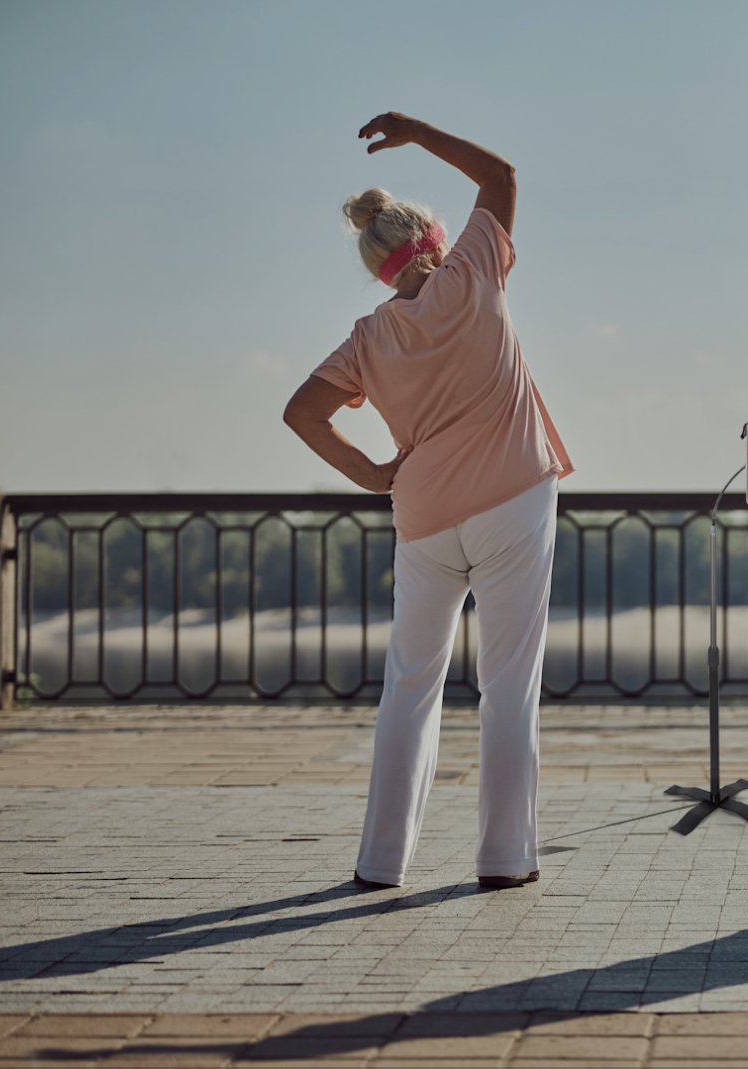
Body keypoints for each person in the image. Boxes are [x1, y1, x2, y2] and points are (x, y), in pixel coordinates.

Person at [284, 113, 572, 890]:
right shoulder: (475, 271)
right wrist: (417, 132)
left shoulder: (368, 336)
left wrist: (372, 472)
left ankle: (382, 861)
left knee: (409, 687)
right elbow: (503, 177)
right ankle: (505, 859)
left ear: (379, 267)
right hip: (512, 500)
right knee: (508, 684)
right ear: (436, 238)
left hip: (421, 518)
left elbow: (301, 412)